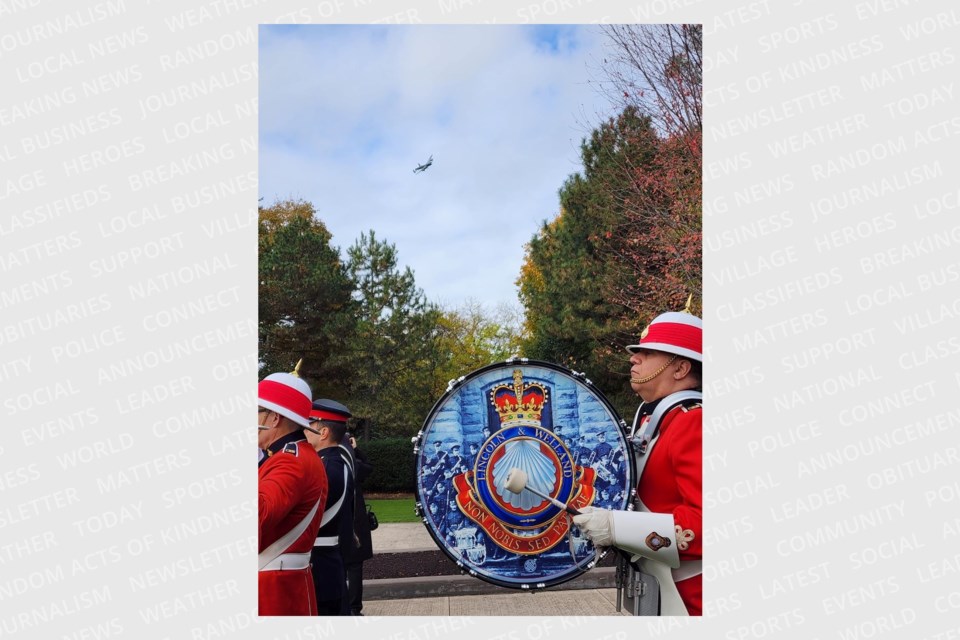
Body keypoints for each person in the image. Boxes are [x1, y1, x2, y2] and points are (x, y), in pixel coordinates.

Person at [573, 308, 702, 616]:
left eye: (646, 352)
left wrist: (616, 527)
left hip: (691, 599)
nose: (634, 358)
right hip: (657, 590)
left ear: (680, 368)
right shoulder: (655, 420)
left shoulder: (694, 422)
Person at [257, 371, 328, 616]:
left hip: (273, 587)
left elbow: (260, 516)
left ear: (274, 418)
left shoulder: (290, 462)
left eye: (256, 411)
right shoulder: (293, 456)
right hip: (280, 581)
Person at [304, 399, 355, 615]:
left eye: (308, 426)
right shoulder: (337, 462)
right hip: (329, 561)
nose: (304, 431)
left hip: (319, 562)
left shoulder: (323, 468)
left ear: (323, 432)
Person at [342, 433, 374, 616]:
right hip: (354, 518)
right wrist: (356, 451)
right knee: (354, 567)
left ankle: (349, 606)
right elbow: (368, 467)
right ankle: (354, 607)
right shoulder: (352, 463)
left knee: (346, 565)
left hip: (345, 519)